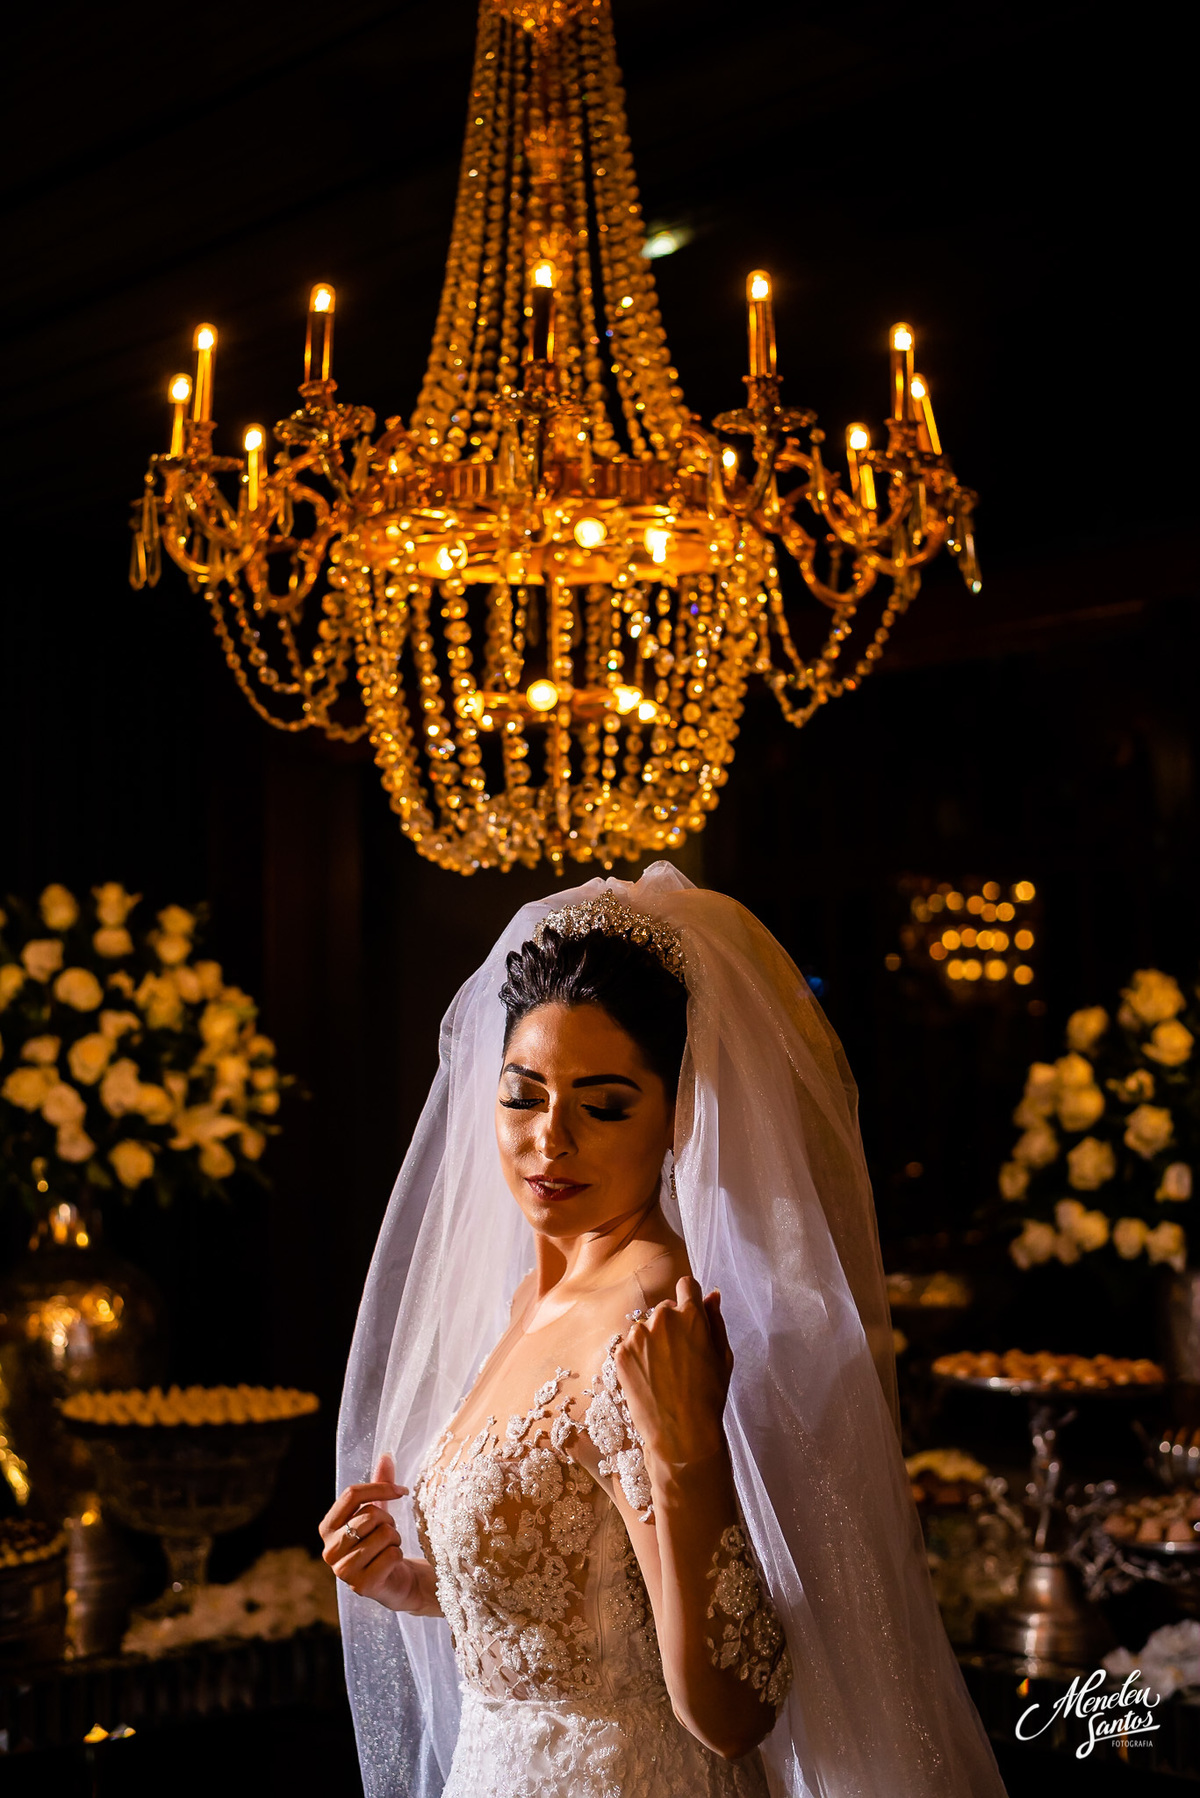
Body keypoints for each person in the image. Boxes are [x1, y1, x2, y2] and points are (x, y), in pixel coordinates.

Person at [323, 863, 1007, 1797]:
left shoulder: (647, 1323)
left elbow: (733, 1712)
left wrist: (687, 1462)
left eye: (604, 1107)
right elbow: (587, 1606)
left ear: (678, 1117)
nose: (549, 1140)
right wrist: (414, 1585)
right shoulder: (533, 1302)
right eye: (524, 1095)